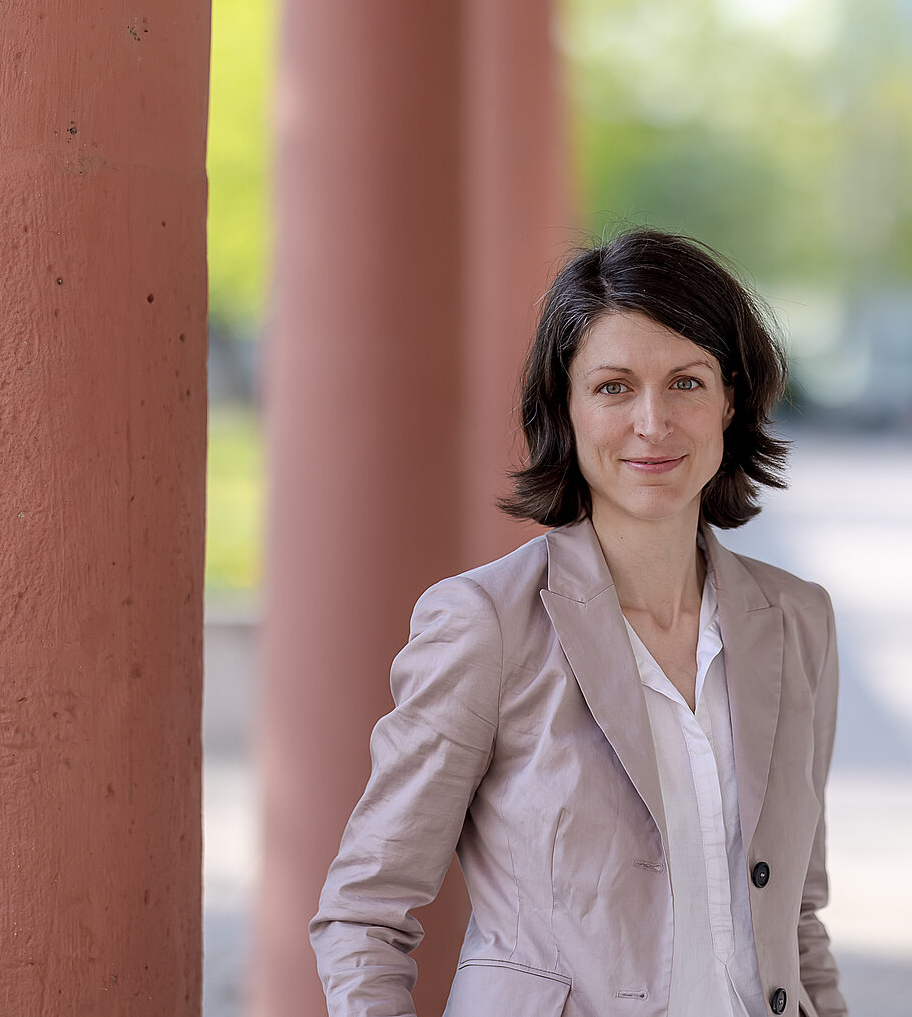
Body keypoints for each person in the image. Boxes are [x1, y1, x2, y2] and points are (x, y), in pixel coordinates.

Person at [310, 228, 848, 1017]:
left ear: (731, 398)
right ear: (566, 405)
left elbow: (798, 920)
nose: (653, 423)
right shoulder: (486, 625)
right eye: (614, 387)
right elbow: (364, 912)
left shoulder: (798, 621)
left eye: (687, 383)